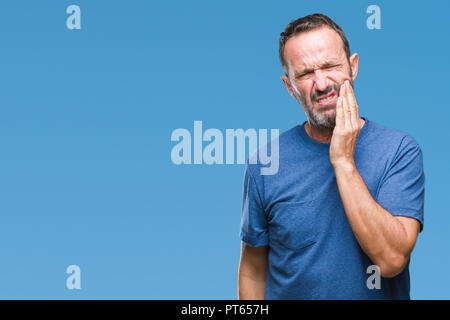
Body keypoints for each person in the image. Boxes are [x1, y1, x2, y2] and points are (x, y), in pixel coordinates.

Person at [237, 13, 425, 299]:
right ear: (289, 87)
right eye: (305, 74)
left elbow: (392, 260)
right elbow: (253, 269)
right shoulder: (265, 163)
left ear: (353, 67)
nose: (322, 84)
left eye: (330, 66)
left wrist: (343, 162)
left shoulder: (399, 151)